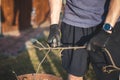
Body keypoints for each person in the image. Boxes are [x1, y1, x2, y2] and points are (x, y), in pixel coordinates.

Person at [47, 0, 120, 80]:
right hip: (74, 22)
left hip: (107, 21)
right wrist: (54, 25)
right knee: (74, 74)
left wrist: (106, 30)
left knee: (108, 75)